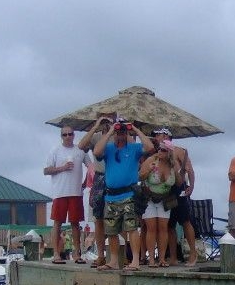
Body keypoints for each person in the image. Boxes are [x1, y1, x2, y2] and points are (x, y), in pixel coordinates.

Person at [94, 118, 154, 270]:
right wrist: (110, 132)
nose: (120, 135)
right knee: (111, 230)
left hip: (128, 195)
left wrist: (135, 129)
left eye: (123, 132)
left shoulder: (134, 148)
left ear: (127, 134)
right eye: (118, 132)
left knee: (131, 228)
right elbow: (96, 152)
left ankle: (135, 261)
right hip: (110, 196)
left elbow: (150, 147)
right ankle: (113, 261)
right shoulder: (108, 148)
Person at [150, 128, 199, 266]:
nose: (156, 138)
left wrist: (191, 186)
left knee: (185, 221)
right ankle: (172, 257)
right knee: (169, 225)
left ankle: (193, 254)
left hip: (179, 189)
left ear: (166, 136)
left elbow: (189, 169)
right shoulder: (157, 152)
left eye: (158, 135)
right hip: (165, 190)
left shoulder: (178, 150)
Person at [43, 124, 89, 264]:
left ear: (74, 135)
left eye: (70, 134)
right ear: (61, 136)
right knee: (57, 222)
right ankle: (56, 253)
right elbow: (46, 170)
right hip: (60, 192)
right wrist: (62, 168)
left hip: (75, 192)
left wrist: (85, 183)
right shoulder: (55, 150)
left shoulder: (80, 150)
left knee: (75, 223)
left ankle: (77, 253)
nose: (68, 137)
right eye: (65, 134)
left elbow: (90, 167)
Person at [138, 139, 182, 267]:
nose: (160, 152)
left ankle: (162, 258)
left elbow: (179, 183)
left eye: (163, 150)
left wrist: (177, 170)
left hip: (165, 199)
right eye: (159, 149)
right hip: (149, 198)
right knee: (151, 228)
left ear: (169, 152)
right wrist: (149, 171)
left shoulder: (172, 164)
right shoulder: (151, 160)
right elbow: (140, 177)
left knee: (164, 229)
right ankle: (151, 259)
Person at [78, 115, 114, 268]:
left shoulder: (120, 136)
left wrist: (116, 127)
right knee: (97, 219)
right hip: (99, 179)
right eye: (104, 120)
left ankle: (119, 255)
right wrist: (95, 126)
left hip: (115, 178)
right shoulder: (96, 137)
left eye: (109, 119)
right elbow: (81, 145)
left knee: (117, 218)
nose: (107, 123)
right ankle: (100, 255)